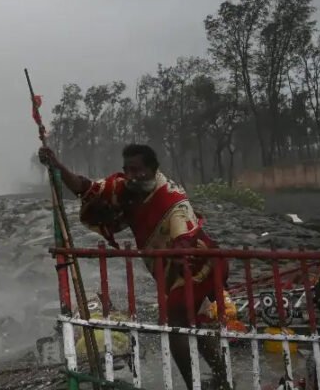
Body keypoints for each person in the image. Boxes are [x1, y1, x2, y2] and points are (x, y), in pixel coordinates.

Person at [38, 143, 231, 390]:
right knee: (197, 320)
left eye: (137, 170)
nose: (131, 176)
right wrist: (57, 165)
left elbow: (185, 238)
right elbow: (86, 188)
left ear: (152, 169)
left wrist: (178, 253)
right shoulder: (124, 188)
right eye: (127, 169)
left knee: (176, 325)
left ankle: (195, 385)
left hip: (196, 264)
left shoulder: (173, 199)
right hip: (170, 268)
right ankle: (223, 380)